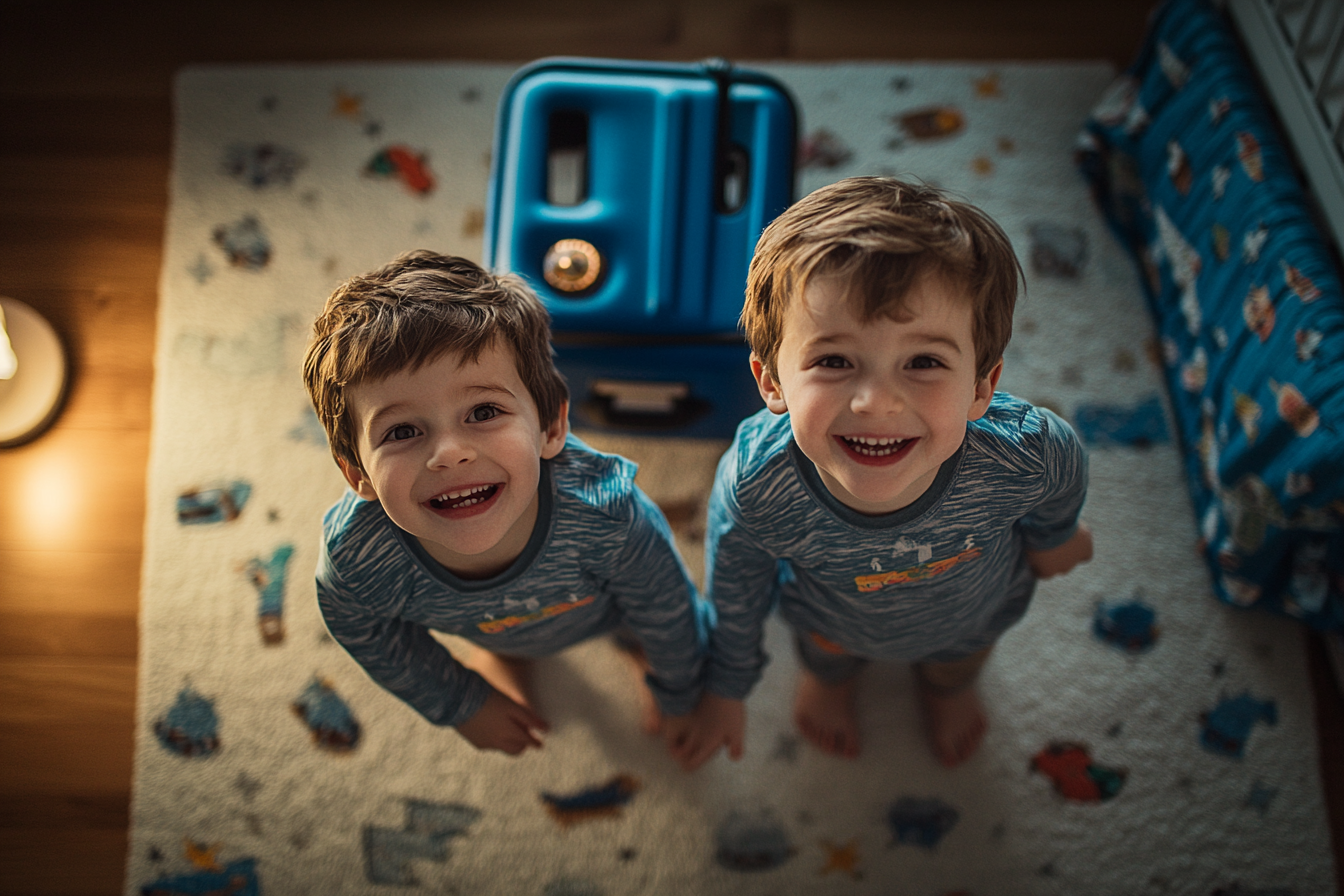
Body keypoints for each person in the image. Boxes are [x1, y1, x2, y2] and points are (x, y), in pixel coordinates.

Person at [669, 177, 1093, 771]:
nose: (877, 402)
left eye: (923, 362)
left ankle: (946, 688)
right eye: (835, 360)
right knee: (827, 658)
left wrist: (1055, 535)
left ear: (981, 387)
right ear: (771, 382)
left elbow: (1064, 469)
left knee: (960, 664)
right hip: (830, 626)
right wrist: (728, 685)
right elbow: (736, 590)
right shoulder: (757, 484)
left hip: (973, 617)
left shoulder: (1022, 453)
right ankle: (831, 684)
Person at [302, 250, 709, 757]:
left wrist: (680, 692)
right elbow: (368, 634)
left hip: (612, 611)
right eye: (402, 431)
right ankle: (506, 657)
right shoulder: (358, 562)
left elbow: (667, 606)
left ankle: (635, 653)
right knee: (501, 638)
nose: (449, 453)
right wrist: (463, 702)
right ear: (357, 473)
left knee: (647, 629)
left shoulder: (607, 512)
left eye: (484, 411)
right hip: (491, 628)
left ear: (551, 426)